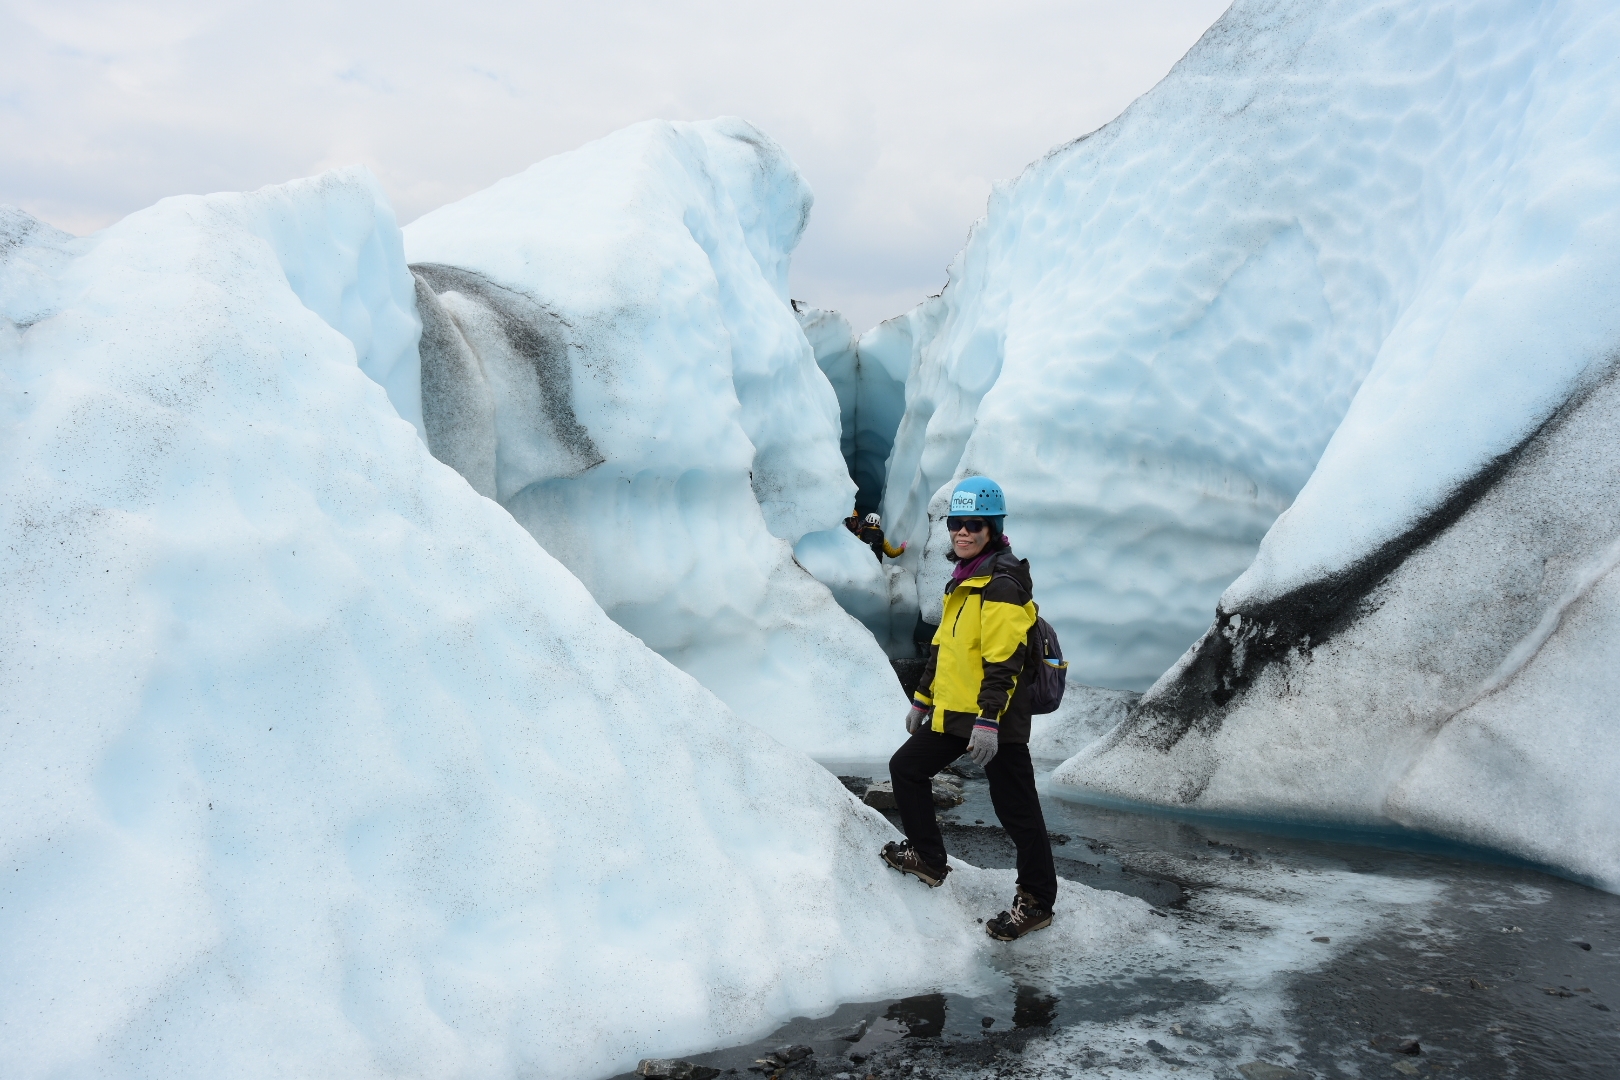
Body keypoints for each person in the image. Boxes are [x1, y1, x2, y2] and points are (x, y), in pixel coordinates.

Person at [879, 476, 1057, 940]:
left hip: (991, 719)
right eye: (956, 523)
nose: (962, 532)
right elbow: (944, 648)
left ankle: (1037, 901)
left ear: (993, 528)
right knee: (907, 768)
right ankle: (929, 859)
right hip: (955, 713)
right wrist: (923, 697)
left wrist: (990, 721)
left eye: (973, 524)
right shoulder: (964, 580)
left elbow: (1005, 661)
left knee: (1017, 810)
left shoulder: (1001, 583)